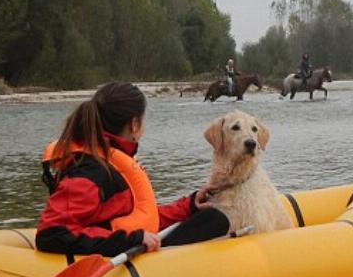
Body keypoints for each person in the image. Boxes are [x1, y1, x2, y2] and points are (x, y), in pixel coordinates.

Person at [36, 81, 229, 256]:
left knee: (209, 218)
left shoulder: (111, 164)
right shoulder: (90, 171)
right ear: (134, 124)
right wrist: (131, 241)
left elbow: (138, 219)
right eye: (143, 121)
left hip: (113, 244)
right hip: (105, 258)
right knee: (215, 221)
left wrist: (188, 206)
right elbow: (52, 234)